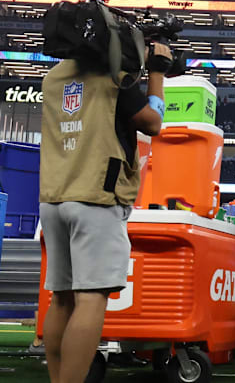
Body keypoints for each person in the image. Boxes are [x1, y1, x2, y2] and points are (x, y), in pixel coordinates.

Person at [39, 42, 169, 383]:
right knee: (91, 299)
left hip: (54, 196)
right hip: (95, 196)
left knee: (61, 299)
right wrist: (156, 71)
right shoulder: (113, 78)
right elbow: (153, 123)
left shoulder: (53, 78)